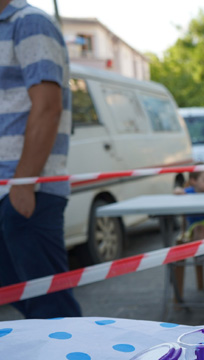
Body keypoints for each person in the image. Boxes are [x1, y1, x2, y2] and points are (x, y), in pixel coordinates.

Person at [0, 0, 82, 318]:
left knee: (51, 308)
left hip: (26, 189)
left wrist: (23, 183)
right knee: (29, 301)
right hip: (13, 188)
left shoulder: (29, 22)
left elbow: (48, 106)